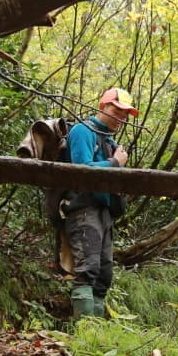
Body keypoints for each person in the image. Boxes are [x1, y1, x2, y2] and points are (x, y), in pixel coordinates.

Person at [63, 87, 137, 318]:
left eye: (126, 115)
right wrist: (115, 164)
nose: (121, 118)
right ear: (103, 106)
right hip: (84, 209)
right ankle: (83, 336)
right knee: (88, 268)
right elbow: (80, 170)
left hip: (104, 213)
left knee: (104, 275)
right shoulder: (83, 131)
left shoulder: (111, 142)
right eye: (117, 110)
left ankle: (96, 336)